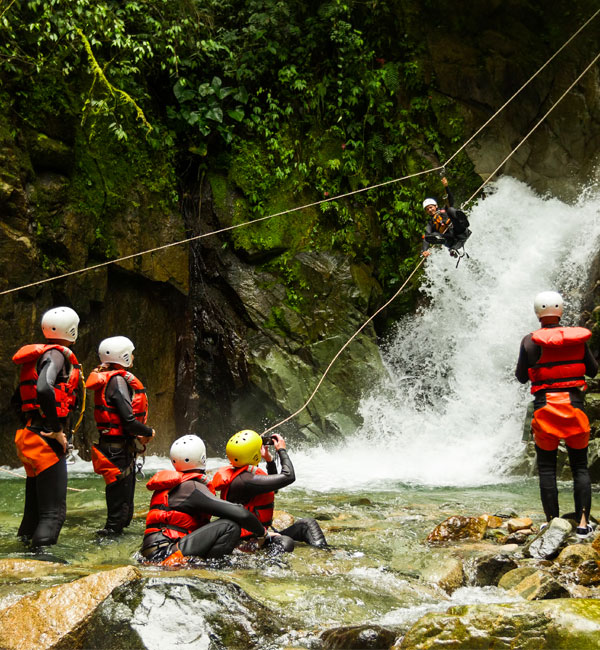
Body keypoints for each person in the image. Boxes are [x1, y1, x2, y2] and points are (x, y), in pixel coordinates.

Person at [515, 291, 598, 539]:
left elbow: (521, 376)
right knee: (580, 467)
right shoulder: (577, 340)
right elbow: (593, 371)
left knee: (548, 469)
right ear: (560, 312)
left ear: (537, 313)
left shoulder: (529, 341)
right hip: (574, 409)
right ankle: (583, 523)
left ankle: (552, 523)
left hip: (545, 410)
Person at [140, 435, 270, 565]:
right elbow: (240, 512)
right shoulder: (192, 488)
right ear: (202, 458)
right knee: (229, 526)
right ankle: (211, 570)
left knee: (224, 524)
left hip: (154, 552)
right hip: (164, 554)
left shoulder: (175, 486)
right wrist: (263, 535)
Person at [12, 306, 81, 548]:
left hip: (28, 435)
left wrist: (33, 426)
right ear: (72, 329)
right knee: (53, 515)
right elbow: (43, 388)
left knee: (33, 511)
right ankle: (42, 562)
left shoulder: (37, 357)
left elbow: (16, 400)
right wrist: (56, 429)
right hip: (45, 438)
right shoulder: (57, 355)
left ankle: (21, 553)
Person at [212, 429, 328, 552]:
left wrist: (269, 460)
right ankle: (272, 567)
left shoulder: (242, 475)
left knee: (307, 524)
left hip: (259, 534)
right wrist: (281, 450)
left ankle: (324, 555)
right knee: (285, 542)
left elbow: (274, 488)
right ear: (254, 455)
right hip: (247, 540)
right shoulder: (245, 481)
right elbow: (289, 476)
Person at [85, 336, 155, 536]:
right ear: (123, 356)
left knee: (123, 507)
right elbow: (129, 421)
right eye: (130, 353)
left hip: (115, 447)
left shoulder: (110, 379)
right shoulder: (117, 381)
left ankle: (113, 540)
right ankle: (108, 545)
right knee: (119, 511)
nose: (133, 356)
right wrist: (149, 432)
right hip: (117, 450)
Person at [421, 176, 471, 259]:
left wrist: (446, 186)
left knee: (451, 210)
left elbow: (450, 200)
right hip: (451, 240)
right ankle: (443, 241)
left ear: (436, 206)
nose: (430, 210)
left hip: (459, 231)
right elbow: (426, 238)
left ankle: (463, 222)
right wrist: (424, 250)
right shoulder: (430, 223)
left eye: (431, 207)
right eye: (427, 209)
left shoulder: (444, 209)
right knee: (431, 235)